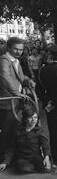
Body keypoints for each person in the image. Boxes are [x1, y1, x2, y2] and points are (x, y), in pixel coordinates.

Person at [0, 37, 35, 167]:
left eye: (20, 49)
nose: (18, 52)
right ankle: (3, 159)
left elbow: (20, 77)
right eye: (15, 49)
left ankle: (9, 157)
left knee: (13, 129)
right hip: (8, 102)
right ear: (8, 48)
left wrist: (28, 81)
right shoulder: (4, 59)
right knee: (7, 131)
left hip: (16, 101)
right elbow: (5, 77)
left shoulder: (16, 61)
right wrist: (16, 93)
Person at [0, 107, 57, 174]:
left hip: (35, 157)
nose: (33, 120)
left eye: (35, 117)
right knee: (23, 168)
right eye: (31, 117)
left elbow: (45, 146)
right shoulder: (18, 132)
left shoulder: (39, 131)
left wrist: (46, 158)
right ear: (25, 119)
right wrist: (5, 162)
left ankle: (44, 167)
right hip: (23, 158)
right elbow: (11, 148)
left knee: (44, 167)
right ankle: (38, 169)